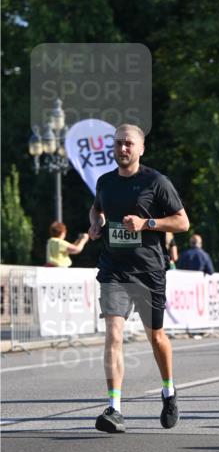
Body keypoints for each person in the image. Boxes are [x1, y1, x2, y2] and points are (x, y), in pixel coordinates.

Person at [88, 123, 189, 432]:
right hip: (113, 269)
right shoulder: (105, 182)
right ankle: (114, 408)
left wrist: (147, 224)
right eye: (118, 143)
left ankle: (169, 390)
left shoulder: (156, 182)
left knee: (155, 336)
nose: (123, 148)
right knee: (113, 335)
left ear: (141, 148)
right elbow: (96, 210)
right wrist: (96, 224)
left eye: (129, 143)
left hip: (149, 271)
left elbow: (182, 222)